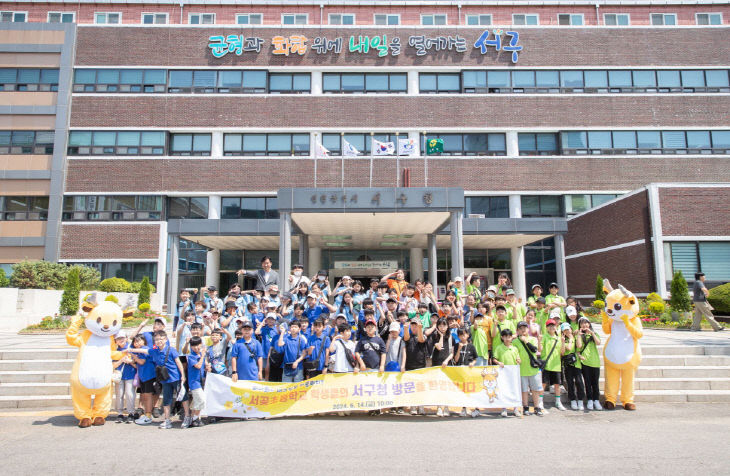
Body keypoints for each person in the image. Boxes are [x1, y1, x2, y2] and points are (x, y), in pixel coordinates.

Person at [148, 331, 186, 429]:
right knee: (166, 400)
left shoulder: (171, 350)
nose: (158, 341)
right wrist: (130, 349)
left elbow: (178, 363)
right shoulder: (154, 351)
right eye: (156, 339)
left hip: (175, 377)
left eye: (161, 339)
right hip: (165, 379)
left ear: (165, 339)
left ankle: (187, 417)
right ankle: (167, 420)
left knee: (183, 397)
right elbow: (144, 351)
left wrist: (183, 375)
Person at [514, 321, 544, 416]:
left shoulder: (533, 339)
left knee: (535, 389)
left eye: (525, 328)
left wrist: (525, 341)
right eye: (520, 328)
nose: (523, 330)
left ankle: (537, 407)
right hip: (522, 369)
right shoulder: (515, 342)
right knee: (524, 390)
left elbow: (535, 350)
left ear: (528, 329)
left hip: (533, 369)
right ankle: (525, 407)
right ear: (517, 330)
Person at [427, 318, 453, 417]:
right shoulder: (434, 336)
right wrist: (441, 336)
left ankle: (446, 407)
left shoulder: (451, 337)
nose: (442, 328)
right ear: (437, 326)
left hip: (447, 365)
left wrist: (446, 361)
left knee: (446, 387)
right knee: (438, 386)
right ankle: (438, 407)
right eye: (440, 326)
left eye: (444, 325)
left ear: (447, 326)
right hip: (436, 364)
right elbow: (439, 346)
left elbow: (452, 353)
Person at [493, 328, 521, 417]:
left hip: (513, 373)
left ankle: (515, 408)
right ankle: (504, 408)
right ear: (502, 337)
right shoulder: (499, 347)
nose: (507, 338)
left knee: (514, 390)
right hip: (503, 373)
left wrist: (518, 360)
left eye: (509, 337)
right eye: (505, 337)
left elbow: (518, 358)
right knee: (504, 389)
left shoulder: (514, 348)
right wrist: (498, 362)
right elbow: (494, 359)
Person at [403, 317, 427, 415]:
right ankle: (413, 405)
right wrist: (405, 328)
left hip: (421, 365)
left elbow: (421, 340)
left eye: (416, 325)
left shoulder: (423, 335)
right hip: (409, 365)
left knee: (420, 387)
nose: (414, 327)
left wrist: (420, 329)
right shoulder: (408, 336)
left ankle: (421, 406)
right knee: (412, 387)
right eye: (413, 325)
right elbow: (406, 338)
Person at [577, 317, 602, 411]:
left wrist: (592, 333)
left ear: (589, 324)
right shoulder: (580, 336)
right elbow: (579, 346)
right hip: (585, 362)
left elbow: (598, 343)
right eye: (582, 324)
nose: (584, 325)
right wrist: (579, 335)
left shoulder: (594, 334)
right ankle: (590, 400)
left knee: (595, 383)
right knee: (587, 383)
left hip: (595, 362)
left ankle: (596, 400)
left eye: (586, 323)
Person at [453, 328, 480, 418]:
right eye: (460, 335)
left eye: (464, 334)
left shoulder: (471, 346)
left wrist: (472, 363)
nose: (463, 336)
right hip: (460, 371)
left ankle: (477, 409)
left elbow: (475, 358)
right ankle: (464, 408)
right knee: (463, 391)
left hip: (469, 371)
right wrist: (459, 349)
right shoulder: (457, 345)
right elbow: (456, 360)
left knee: (472, 390)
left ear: (468, 335)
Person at [112, 331, 136, 423]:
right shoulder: (115, 351)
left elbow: (135, 362)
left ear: (126, 338)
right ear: (115, 341)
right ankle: (120, 413)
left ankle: (131, 413)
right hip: (119, 375)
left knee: (130, 394)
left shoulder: (131, 349)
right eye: (118, 338)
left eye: (122, 338)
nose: (121, 340)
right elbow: (113, 365)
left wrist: (130, 361)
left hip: (130, 374)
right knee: (119, 394)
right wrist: (122, 360)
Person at [560, 323, 585, 411]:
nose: (567, 332)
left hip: (576, 363)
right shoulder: (563, 340)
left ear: (571, 328)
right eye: (565, 330)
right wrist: (566, 341)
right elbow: (566, 350)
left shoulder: (575, 337)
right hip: (567, 364)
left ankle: (581, 400)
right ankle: (573, 400)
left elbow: (579, 346)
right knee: (570, 383)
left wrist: (577, 336)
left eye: (568, 329)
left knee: (579, 382)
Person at [541, 320, 565, 411]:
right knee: (543, 384)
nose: (552, 327)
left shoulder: (559, 338)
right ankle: (540, 401)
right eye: (549, 326)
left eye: (553, 325)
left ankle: (558, 401)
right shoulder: (544, 337)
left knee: (557, 385)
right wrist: (539, 341)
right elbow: (540, 349)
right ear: (546, 328)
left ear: (556, 327)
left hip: (556, 365)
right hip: (546, 364)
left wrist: (563, 342)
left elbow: (562, 353)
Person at [186, 336, 207, 427]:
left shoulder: (201, 355)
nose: (195, 347)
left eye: (197, 345)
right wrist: (202, 356)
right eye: (193, 346)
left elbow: (204, 365)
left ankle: (193, 418)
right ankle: (195, 418)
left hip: (200, 380)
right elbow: (198, 366)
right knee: (201, 400)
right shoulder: (191, 356)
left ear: (201, 345)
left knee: (197, 401)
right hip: (194, 382)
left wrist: (208, 366)